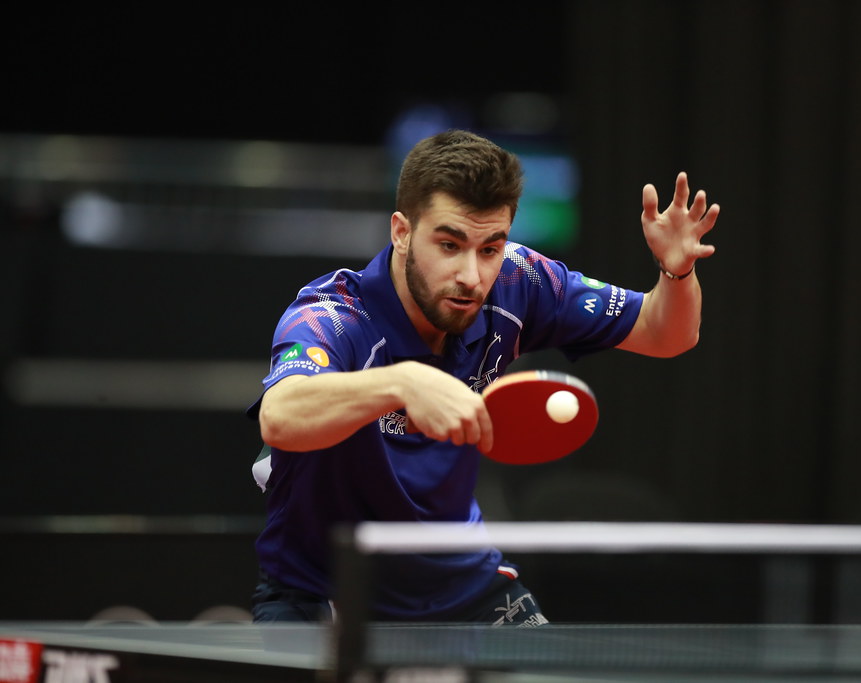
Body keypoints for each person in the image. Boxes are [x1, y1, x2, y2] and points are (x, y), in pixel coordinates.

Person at [248, 129, 719, 625]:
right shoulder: (333, 315)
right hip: (327, 589)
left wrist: (677, 273)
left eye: (490, 248)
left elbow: (666, 334)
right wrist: (402, 383)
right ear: (402, 232)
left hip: (462, 585)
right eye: (449, 244)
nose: (471, 276)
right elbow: (280, 416)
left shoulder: (519, 281)